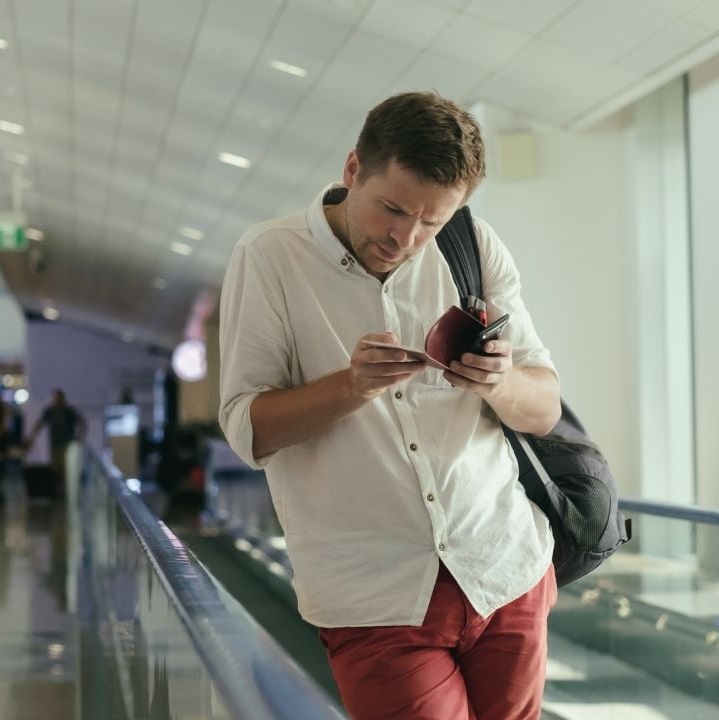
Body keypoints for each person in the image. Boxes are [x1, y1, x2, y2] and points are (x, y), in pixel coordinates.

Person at [218, 92, 562, 720]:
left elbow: (543, 409)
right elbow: (247, 428)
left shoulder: (473, 247)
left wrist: (498, 383)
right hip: (375, 599)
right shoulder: (270, 257)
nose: (406, 237)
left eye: (431, 220)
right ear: (353, 170)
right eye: (392, 209)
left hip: (504, 571)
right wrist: (351, 386)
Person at [22, 389, 83, 488]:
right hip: (55, 444)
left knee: (64, 468)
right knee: (56, 468)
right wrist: (31, 437)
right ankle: (58, 489)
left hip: (67, 444)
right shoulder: (50, 411)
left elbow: (82, 422)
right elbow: (39, 424)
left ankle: (64, 489)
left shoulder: (68, 411)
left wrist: (79, 438)